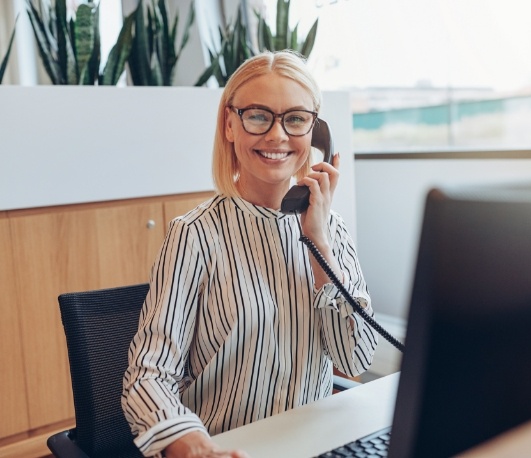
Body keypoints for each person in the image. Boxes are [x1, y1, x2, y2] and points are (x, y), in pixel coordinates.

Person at [122, 49, 378, 458]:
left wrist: (319, 246)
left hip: (311, 442)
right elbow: (148, 375)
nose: (278, 136)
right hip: (225, 448)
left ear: (316, 132)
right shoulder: (195, 234)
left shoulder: (331, 228)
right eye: (258, 116)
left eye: (295, 118)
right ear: (229, 124)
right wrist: (191, 445)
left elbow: (356, 356)